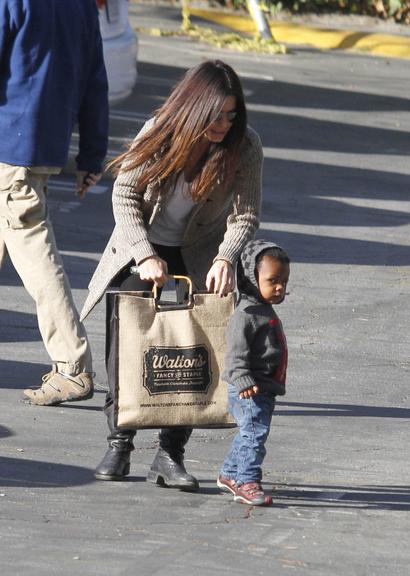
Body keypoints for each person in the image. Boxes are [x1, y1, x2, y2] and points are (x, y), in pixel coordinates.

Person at [80, 59, 263, 491]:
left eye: (231, 115)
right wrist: (144, 255)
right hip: (140, 247)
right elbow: (124, 194)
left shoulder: (245, 146)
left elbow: (247, 213)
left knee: (192, 353)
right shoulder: (161, 132)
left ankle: (169, 454)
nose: (223, 124)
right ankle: (119, 442)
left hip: (199, 255)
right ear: (195, 106)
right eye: (216, 115)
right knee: (127, 347)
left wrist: (225, 258)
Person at [0, 0, 109, 405]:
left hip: (9, 149)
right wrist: (91, 157)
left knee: (36, 257)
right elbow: (95, 80)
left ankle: (72, 366)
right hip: (42, 147)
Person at [217, 239, 290, 506]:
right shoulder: (245, 314)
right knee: (255, 435)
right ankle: (247, 481)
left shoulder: (262, 308)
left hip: (263, 387)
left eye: (284, 281)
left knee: (249, 432)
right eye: (273, 280)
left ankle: (229, 473)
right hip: (250, 388)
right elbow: (235, 354)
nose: (280, 287)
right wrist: (243, 379)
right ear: (251, 277)